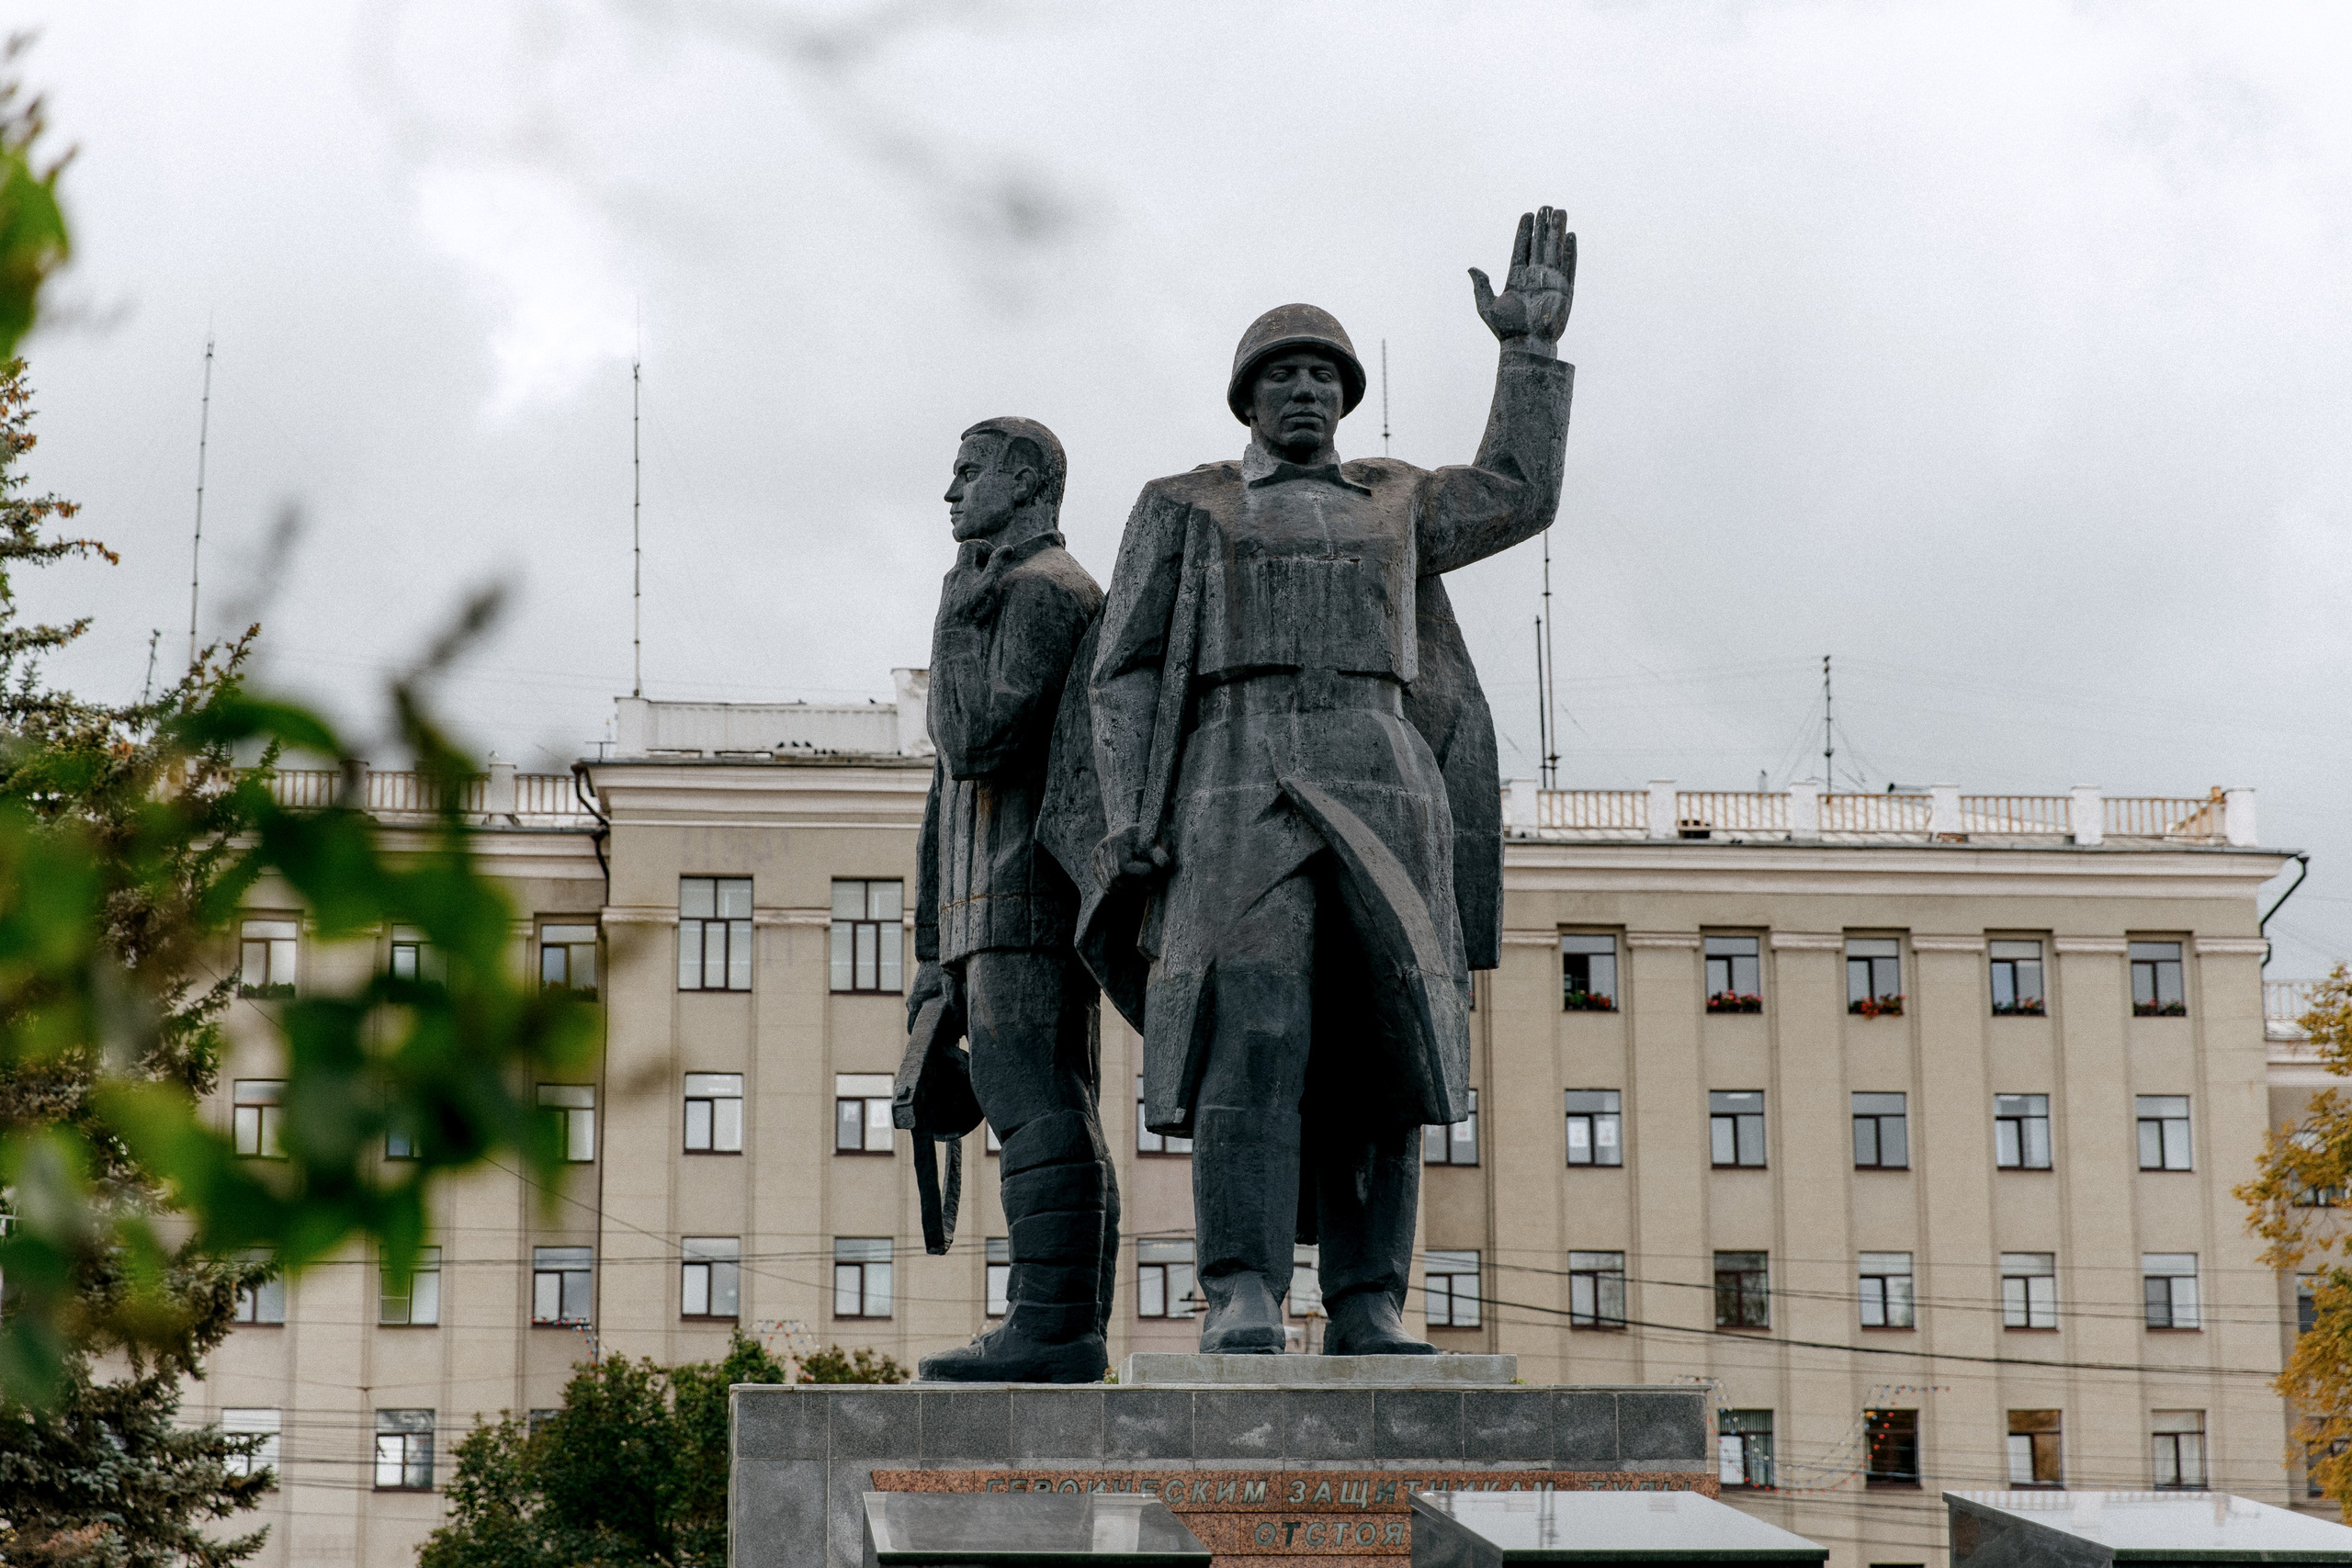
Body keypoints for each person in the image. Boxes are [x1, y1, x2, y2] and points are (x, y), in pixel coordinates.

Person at [1081, 209, 1576, 1354]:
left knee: (1382, 1033)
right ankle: (1240, 1287)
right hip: (1232, 771)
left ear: (1345, 398)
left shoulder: (1396, 498)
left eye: (1322, 377)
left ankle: (1367, 1300)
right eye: (1282, 377)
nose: (1304, 393)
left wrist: (1528, 355)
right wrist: (1129, 817)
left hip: (1383, 763)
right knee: (1255, 1025)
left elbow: (1518, 489)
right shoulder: (1183, 505)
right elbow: (1126, 670)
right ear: (1246, 399)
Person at [908, 416, 1117, 1382]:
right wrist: (928, 957)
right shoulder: (1002, 589)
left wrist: (956, 607)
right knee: (1030, 1100)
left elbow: (978, 742)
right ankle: (1053, 1325)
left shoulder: (1043, 591)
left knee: (1038, 1106)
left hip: (1028, 894)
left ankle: (1054, 1328)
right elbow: (941, 800)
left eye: (966, 474)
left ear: (1027, 481)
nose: (950, 493)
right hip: (982, 906)